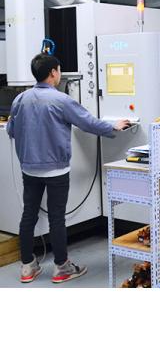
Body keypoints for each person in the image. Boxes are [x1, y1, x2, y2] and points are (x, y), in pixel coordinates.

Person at [6, 53, 131, 284]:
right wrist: (113, 126)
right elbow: (87, 122)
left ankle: (27, 267)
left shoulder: (20, 99)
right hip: (56, 171)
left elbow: (11, 131)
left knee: (28, 215)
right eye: (59, 70)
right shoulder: (61, 100)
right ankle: (62, 267)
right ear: (53, 72)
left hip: (29, 169)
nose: (60, 74)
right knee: (56, 218)